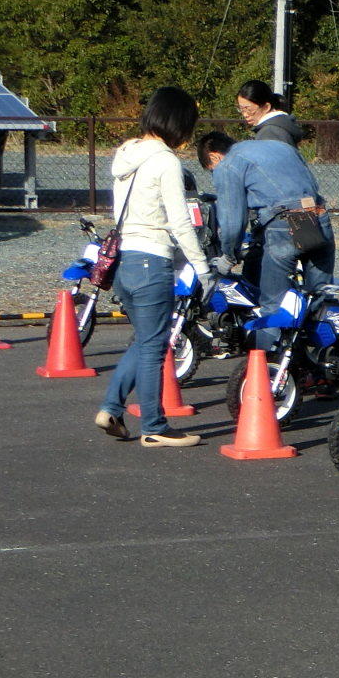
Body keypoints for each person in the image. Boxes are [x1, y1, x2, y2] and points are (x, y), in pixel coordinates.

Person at [94, 87, 210, 448]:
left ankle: (111, 408)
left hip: (126, 260)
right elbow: (179, 222)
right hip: (152, 261)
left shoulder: (127, 154)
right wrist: (202, 267)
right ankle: (154, 427)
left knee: (144, 340)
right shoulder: (166, 162)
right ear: (178, 123)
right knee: (155, 346)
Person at [203, 121, 336, 349]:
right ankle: (322, 363)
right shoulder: (279, 147)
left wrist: (228, 256)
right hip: (317, 217)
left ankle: (271, 371)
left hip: (283, 224)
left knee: (273, 306)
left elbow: (233, 220)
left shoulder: (229, 165)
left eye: (211, 170)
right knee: (318, 300)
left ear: (214, 156)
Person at [235, 80, 301, 147]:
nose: (245, 114)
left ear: (266, 107)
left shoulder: (270, 132)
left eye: (249, 109)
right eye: (241, 109)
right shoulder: (278, 126)